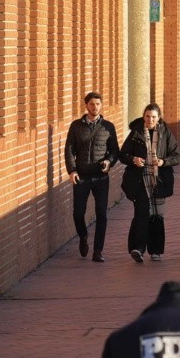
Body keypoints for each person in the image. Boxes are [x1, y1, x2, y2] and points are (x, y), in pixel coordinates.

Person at [119, 104, 180, 262]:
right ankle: (137, 248)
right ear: (143, 116)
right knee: (141, 213)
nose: (150, 120)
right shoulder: (136, 132)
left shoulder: (165, 133)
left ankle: (155, 251)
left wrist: (163, 161)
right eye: (147, 116)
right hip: (140, 180)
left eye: (153, 117)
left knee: (157, 216)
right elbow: (123, 154)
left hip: (159, 180)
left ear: (158, 117)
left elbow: (176, 156)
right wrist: (133, 159)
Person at [64, 92, 119, 263]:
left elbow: (114, 151)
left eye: (98, 104)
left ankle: (98, 251)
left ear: (101, 105)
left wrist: (109, 162)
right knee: (78, 214)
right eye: (92, 104)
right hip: (82, 177)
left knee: (101, 213)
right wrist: (72, 171)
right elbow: (69, 150)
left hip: (101, 177)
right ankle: (83, 235)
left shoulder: (108, 127)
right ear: (86, 105)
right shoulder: (76, 126)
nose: (95, 107)